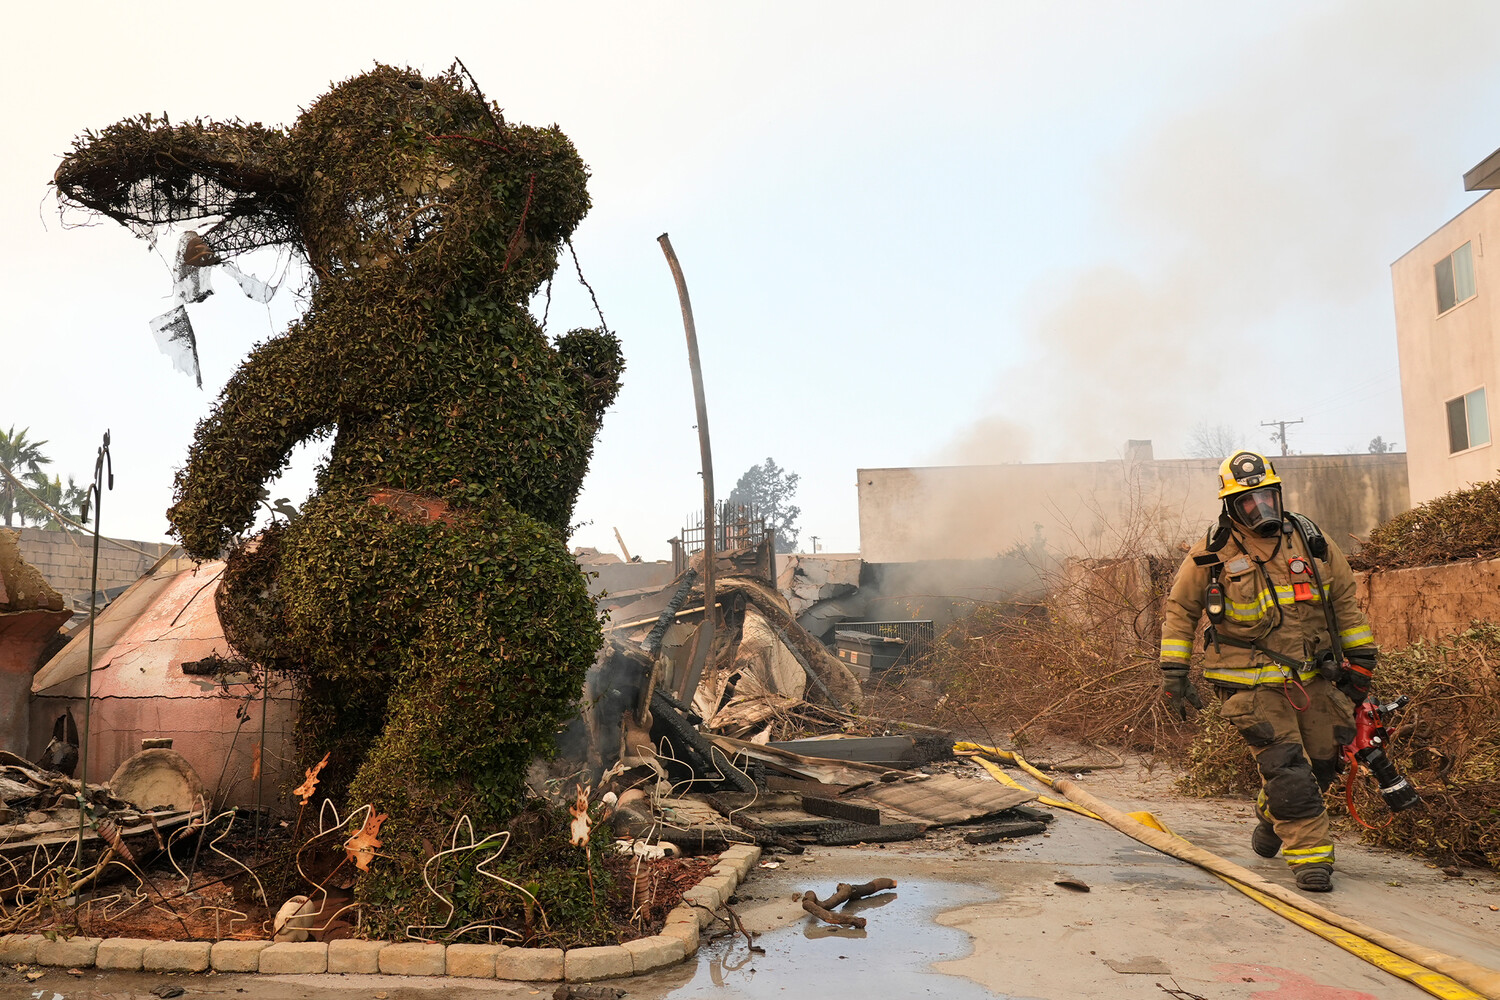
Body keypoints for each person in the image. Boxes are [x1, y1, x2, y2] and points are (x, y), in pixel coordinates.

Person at [1159, 451, 1377, 892]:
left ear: (1278, 494)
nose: (1261, 510)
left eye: (1266, 498)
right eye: (1248, 502)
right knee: (1287, 768)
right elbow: (1181, 609)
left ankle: (1271, 815)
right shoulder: (1212, 553)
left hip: (1312, 676)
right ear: (1230, 506)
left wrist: (1361, 660)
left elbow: (1345, 602)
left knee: (1321, 765)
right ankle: (1311, 861)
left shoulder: (1311, 540)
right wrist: (1174, 671)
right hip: (1247, 680)